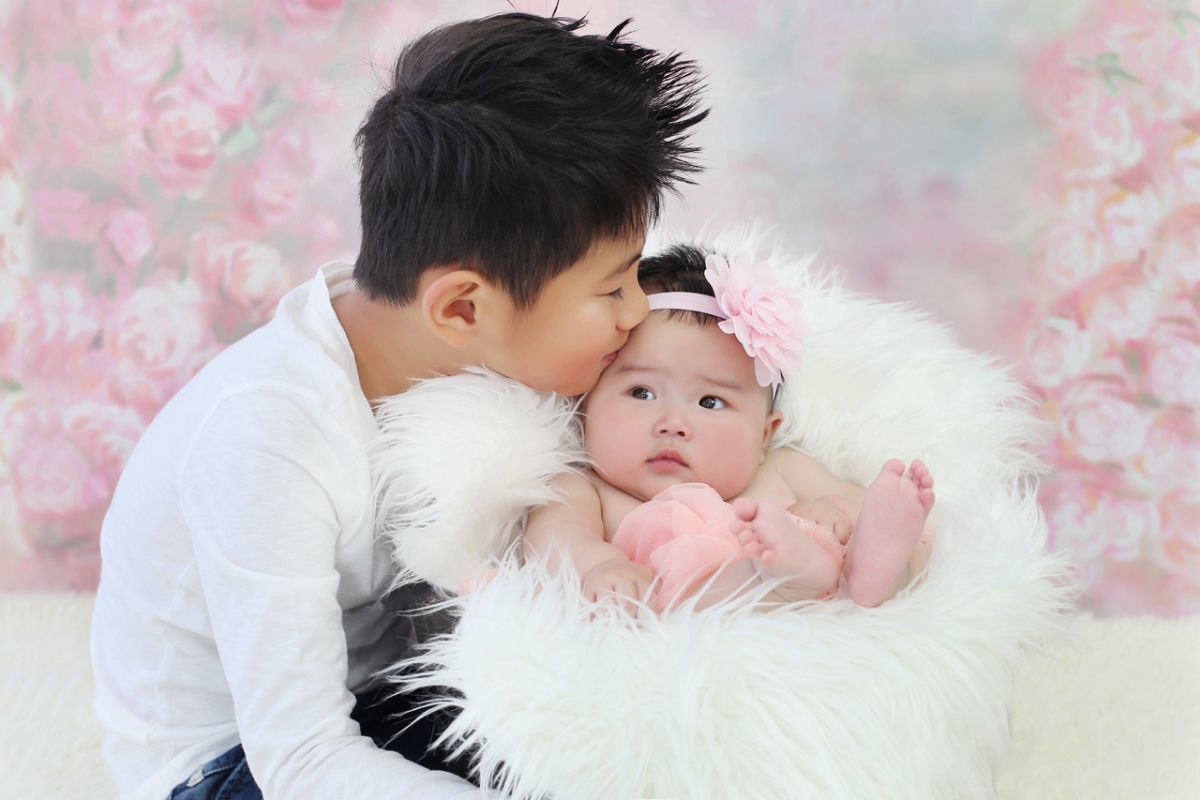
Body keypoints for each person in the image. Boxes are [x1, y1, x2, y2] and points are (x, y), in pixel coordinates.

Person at [90, 14, 707, 800]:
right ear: (462, 308)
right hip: (235, 763)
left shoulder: (449, 340)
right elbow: (301, 762)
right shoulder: (266, 440)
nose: (636, 312)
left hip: (393, 692)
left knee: (651, 717)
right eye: (613, 287)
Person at [524, 244, 935, 612]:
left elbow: (856, 500)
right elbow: (555, 537)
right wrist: (600, 566)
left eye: (710, 402)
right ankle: (776, 581)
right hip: (699, 608)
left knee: (878, 551)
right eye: (642, 393)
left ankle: (879, 571)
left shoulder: (780, 468)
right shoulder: (586, 486)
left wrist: (834, 511)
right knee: (693, 593)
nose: (673, 425)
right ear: (584, 404)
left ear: (764, 435)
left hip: (822, 583)